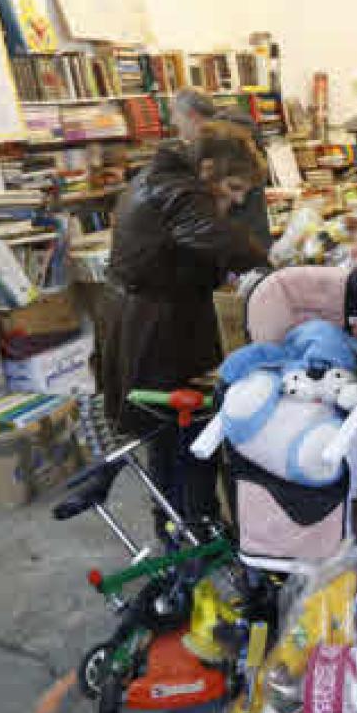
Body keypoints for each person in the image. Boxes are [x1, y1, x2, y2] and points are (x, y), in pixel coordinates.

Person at [102, 121, 269, 532]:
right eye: (231, 189)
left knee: (179, 430)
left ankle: (188, 523)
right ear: (208, 168)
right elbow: (215, 236)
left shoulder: (167, 179)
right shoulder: (177, 190)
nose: (235, 201)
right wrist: (269, 265)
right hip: (157, 328)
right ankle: (190, 529)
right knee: (179, 429)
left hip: (162, 317)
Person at [172, 88, 272, 248]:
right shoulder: (236, 129)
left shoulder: (226, 139)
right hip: (246, 235)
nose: (174, 124)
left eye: (176, 118)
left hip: (241, 237)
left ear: (191, 116)